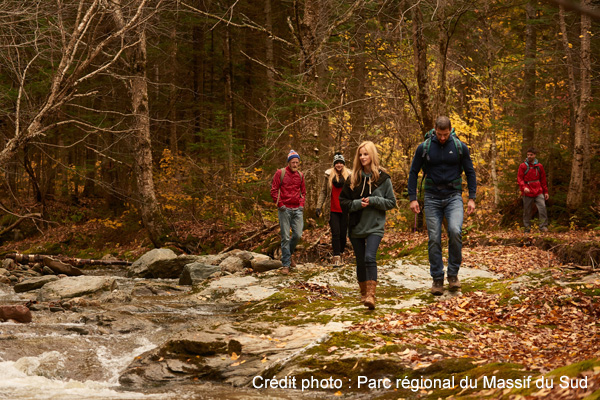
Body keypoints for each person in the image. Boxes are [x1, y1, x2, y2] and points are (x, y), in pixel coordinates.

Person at [407, 116, 477, 296]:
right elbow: (413, 172)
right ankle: (437, 278)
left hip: (453, 196)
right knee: (434, 238)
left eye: (445, 134)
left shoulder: (460, 147)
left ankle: (453, 275)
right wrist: (413, 198)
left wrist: (471, 198)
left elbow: (470, 172)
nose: (442, 138)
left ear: (450, 131)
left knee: (455, 231)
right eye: (439, 134)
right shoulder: (424, 147)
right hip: (432, 197)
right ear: (434, 130)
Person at [339, 141, 396, 309]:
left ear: (372, 155)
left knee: (370, 257)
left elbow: (391, 202)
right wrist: (358, 204)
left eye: (366, 154)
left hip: (375, 226)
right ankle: (363, 294)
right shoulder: (352, 178)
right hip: (356, 226)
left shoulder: (383, 179)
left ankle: (371, 295)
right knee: (360, 261)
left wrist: (374, 200)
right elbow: (343, 202)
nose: (363, 157)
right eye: (360, 154)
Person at [270, 150, 306, 274]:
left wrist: (301, 205)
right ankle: (286, 264)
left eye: (297, 162)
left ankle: (289, 254)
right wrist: (280, 204)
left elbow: (303, 192)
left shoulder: (300, 175)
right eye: (293, 162)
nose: (295, 164)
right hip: (284, 209)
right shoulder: (280, 173)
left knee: (297, 235)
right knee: (285, 237)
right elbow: (274, 190)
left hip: (297, 209)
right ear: (289, 162)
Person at [316, 152, 351, 266]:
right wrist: (318, 206)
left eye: (341, 163)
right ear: (334, 164)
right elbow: (323, 192)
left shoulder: (349, 176)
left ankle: (341, 254)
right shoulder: (328, 176)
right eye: (337, 163)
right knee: (335, 233)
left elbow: (354, 191)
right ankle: (336, 257)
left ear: (343, 164)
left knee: (342, 234)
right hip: (333, 209)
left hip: (345, 210)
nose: (339, 165)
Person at [517, 148, 549, 233]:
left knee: (542, 208)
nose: (529, 156)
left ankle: (543, 226)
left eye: (531, 155)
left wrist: (545, 192)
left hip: (538, 190)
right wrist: (524, 187)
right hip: (527, 191)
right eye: (528, 155)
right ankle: (527, 228)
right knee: (527, 210)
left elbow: (543, 179)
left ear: (534, 155)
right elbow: (519, 179)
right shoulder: (523, 166)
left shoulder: (539, 166)